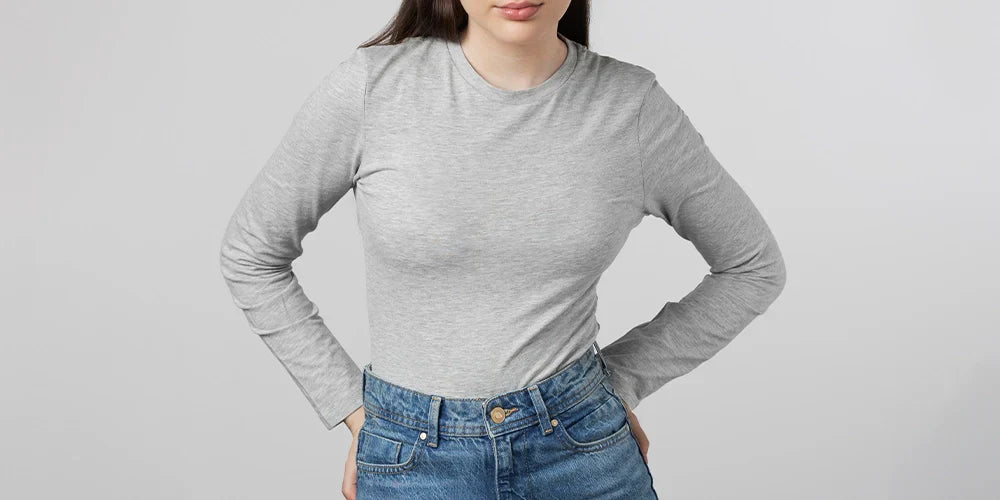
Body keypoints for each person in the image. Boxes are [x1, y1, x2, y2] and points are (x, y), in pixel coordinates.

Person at [218, 0, 787, 498]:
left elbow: (752, 267)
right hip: (412, 457)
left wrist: (618, 384)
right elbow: (251, 253)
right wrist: (356, 410)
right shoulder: (373, 88)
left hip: (581, 451)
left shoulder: (630, 105)